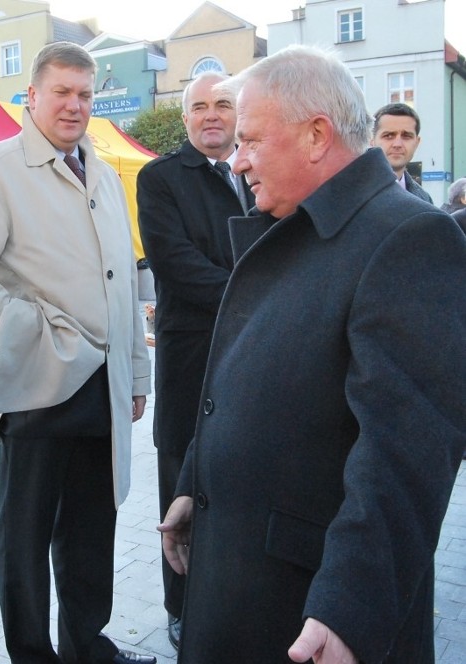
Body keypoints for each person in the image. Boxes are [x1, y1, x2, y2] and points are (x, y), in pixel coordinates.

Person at [159, 44, 466, 664]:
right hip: (242, 573)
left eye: (250, 140)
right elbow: (237, 374)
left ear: (316, 135)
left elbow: (405, 455)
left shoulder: (408, 237)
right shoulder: (296, 223)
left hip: (304, 610)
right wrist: (197, 480)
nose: (237, 160)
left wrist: (348, 608)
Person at [0, 41, 153, 664]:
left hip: (104, 385)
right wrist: (37, 334)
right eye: (61, 92)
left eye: (85, 94)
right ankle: (31, 653)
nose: (74, 105)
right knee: (25, 534)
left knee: (92, 528)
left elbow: (124, 283)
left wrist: (137, 373)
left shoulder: (104, 174)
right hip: (40, 381)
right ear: (31, 96)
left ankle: (87, 646)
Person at [135, 70, 248, 651]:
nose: (211, 115)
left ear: (237, 114)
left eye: (223, 104)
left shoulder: (253, 172)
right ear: (185, 118)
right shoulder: (161, 178)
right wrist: (255, 295)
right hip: (190, 363)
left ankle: (233, 604)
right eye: (199, 106)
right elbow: (173, 262)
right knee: (180, 493)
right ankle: (180, 610)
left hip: (253, 361)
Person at [370, 102, 433, 203]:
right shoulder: (351, 190)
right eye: (389, 136)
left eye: (406, 136)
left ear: (417, 142)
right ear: (372, 140)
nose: (397, 144)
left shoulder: (424, 199)